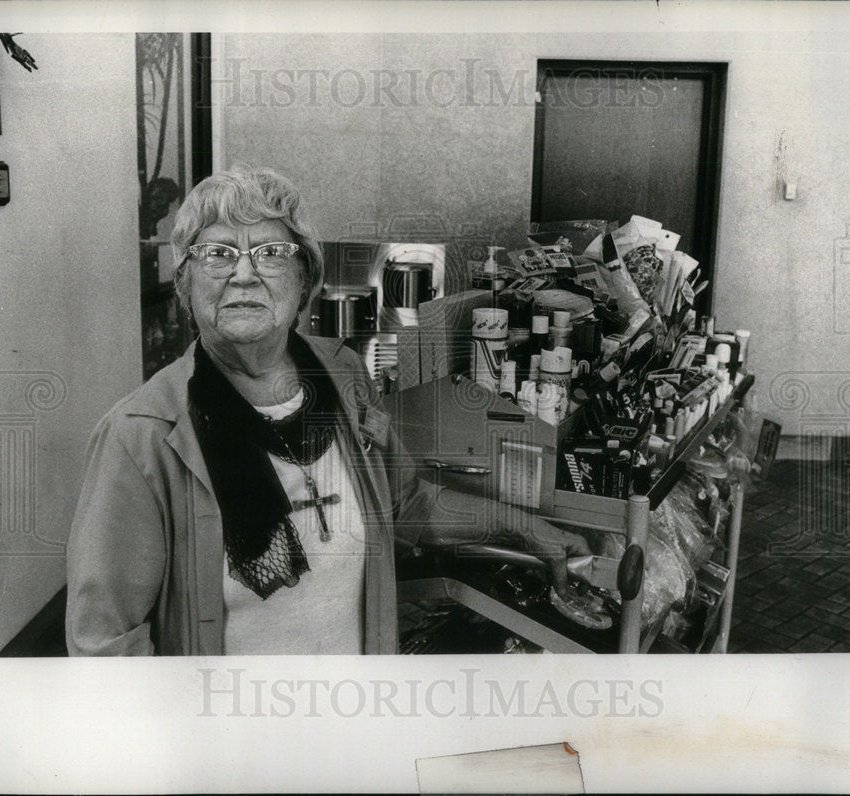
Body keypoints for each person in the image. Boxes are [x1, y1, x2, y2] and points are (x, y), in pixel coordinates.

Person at [65, 165, 591, 656]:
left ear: (305, 280)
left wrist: (522, 528)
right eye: (217, 254)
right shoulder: (140, 439)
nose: (243, 274)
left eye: (270, 252)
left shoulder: (340, 375)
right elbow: (104, 647)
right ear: (185, 284)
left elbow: (403, 505)